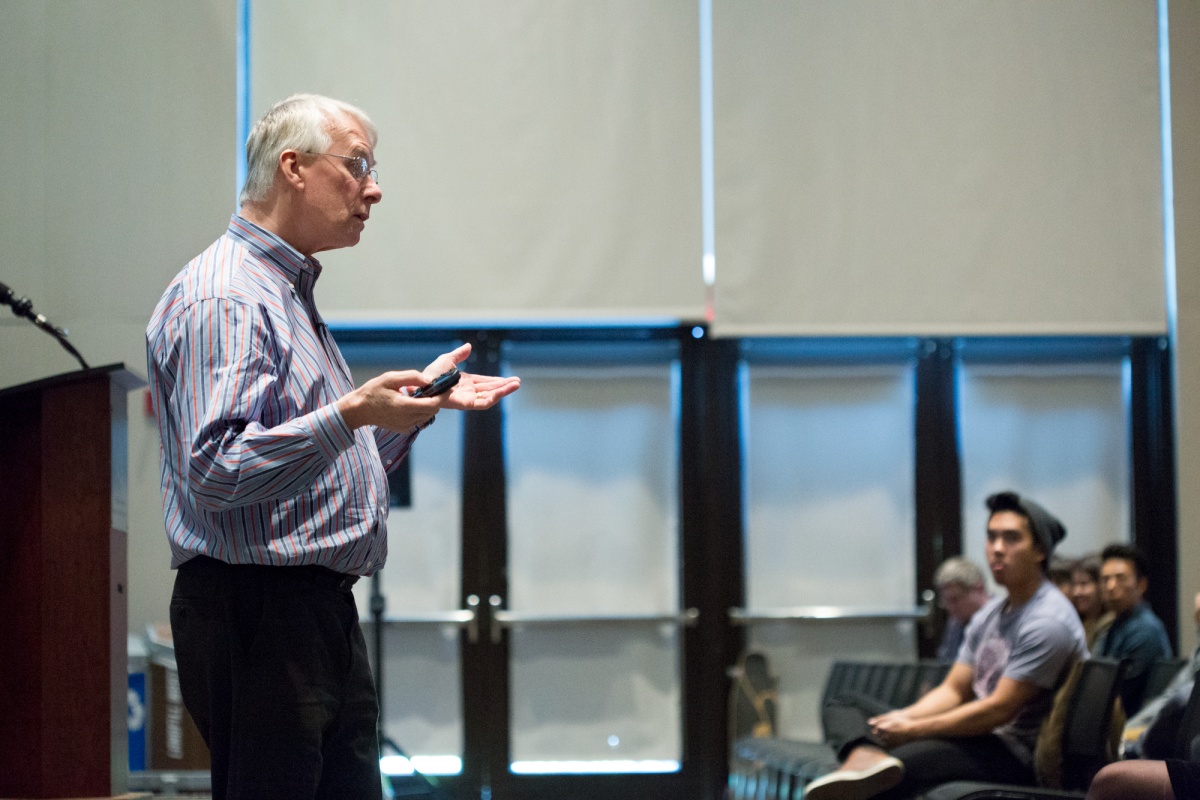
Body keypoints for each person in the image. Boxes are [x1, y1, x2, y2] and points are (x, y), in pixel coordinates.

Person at [146, 93, 521, 800]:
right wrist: (350, 413)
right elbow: (218, 472)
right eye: (358, 166)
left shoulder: (285, 296)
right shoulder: (227, 296)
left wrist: (406, 414)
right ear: (293, 167)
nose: (374, 189)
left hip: (310, 613)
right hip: (257, 614)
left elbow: (306, 476)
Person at [804, 491, 1089, 800]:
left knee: (886, 778)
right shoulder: (991, 614)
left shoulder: (1047, 619)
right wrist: (905, 718)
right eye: (991, 537)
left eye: (1011, 539)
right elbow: (954, 689)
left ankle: (869, 760)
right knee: (844, 703)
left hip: (1012, 753)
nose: (996, 549)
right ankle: (865, 756)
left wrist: (913, 730)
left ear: (1040, 552)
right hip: (980, 735)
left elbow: (999, 710)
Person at [1095, 543, 1173, 716]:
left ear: (1142, 584)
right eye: (1105, 579)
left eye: (1120, 578)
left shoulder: (1145, 630)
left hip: (1134, 729)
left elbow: (1118, 693)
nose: (1111, 586)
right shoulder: (1114, 625)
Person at [932, 556, 991, 663]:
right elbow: (946, 664)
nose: (950, 608)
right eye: (946, 601)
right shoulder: (956, 623)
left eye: (955, 599)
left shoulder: (1001, 616)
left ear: (979, 589)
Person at [1069, 554, 1115, 648]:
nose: (1076, 592)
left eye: (1084, 584)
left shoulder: (1110, 624)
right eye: (1074, 584)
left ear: (1101, 586)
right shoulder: (1081, 622)